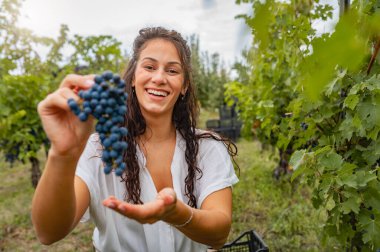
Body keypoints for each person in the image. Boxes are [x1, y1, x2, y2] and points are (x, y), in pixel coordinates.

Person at [32, 27, 239, 252]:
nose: (159, 78)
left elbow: (219, 234)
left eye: (172, 71)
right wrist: (62, 154)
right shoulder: (98, 149)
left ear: (184, 86)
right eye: (149, 67)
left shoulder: (207, 147)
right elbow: (48, 233)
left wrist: (178, 214)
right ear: (132, 79)